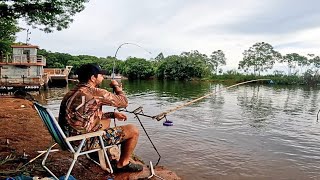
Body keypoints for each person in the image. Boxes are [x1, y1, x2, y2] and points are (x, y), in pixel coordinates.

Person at [58, 63, 143, 172]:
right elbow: (124, 102)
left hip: (66, 139)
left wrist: (112, 115)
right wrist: (117, 87)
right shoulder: (95, 92)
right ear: (93, 78)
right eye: (101, 75)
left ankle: (97, 154)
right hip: (81, 143)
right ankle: (123, 164)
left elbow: (84, 116)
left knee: (106, 120)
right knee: (133, 130)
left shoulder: (71, 92)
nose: (103, 77)